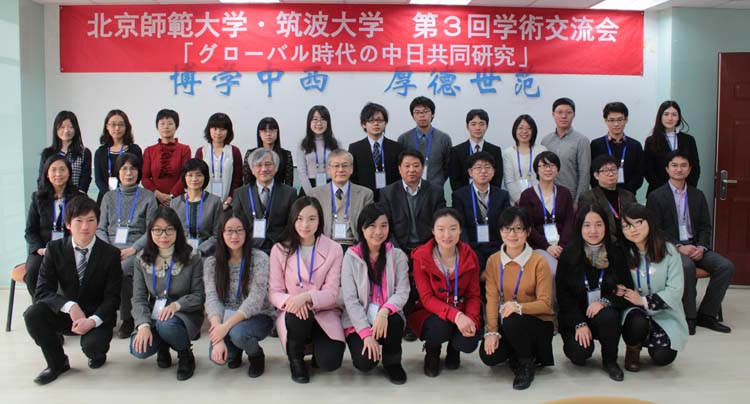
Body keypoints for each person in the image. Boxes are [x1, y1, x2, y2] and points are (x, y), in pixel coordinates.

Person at [24, 195, 122, 385]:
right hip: (67, 313)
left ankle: (98, 352)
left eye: (90, 220)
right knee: (33, 314)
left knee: (93, 347)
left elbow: (112, 299)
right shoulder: (54, 249)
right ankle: (57, 363)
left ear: (97, 223)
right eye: (79, 221)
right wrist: (70, 306)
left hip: (96, 314)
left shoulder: (110, 254)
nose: (85, 227)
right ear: (68, 224)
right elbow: (42, 291)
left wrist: (91, 321)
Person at [646, 151, 734, 335]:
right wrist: (679, 247)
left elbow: (705, 226)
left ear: (689, 169)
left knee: (725, 266)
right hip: (671, 248)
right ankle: (689, 316)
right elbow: (655, 230)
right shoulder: (656, 196)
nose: (679, 169)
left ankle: (707, 315)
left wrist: (701, 247)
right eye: (674, 165)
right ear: (667, 169)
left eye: (683, 165)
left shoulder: (697, 195)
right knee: (687, 267)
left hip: (696, 246)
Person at [268, 197, 345, 383]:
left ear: (319, 221)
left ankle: (317, 349)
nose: (305, 224)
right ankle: (296, 360)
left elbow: (332, 293)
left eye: (312, 219)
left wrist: (306, 297)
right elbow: (274, 291)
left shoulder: (334, 249)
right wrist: (293, 302)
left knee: (330, 362)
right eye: (300, 218)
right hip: (294, 312)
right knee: (298, 315)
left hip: (323, 311)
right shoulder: (280, 249)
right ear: (293, 219)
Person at [556, 205, 633, 381]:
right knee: (579, 354)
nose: (593, 231)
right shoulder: (569, 254)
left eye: (598, 224)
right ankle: (581, 342)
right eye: (587, 225)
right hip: (576, 316)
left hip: (604, 314)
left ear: (606, 226)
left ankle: (610, 361)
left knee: (608, 316)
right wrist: (579, 323)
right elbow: (563, 296)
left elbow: (626, 289)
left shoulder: (616, 252)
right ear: (579, 227)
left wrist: (604, 302)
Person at [480, 207, 554, 390]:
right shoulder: (493, 261)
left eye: (518, 229)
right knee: (489, 356)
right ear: (500, 231)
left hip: (537, 324)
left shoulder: (539, 261)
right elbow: (491, 299)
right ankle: (517, 352)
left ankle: (526, 363)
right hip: (508, 322)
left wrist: (519, 307)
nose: (512, 234)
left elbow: (546, 304)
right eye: (507, 228)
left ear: (528, 232)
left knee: (512, 318)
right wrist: (491, 332)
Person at [130, 206, 205, 381]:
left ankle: (185, 353)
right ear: (150, 232)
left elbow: (199, 295)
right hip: (155, 314)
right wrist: (143, 326)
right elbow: (139, 297)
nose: (163, 236)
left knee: (167, 325)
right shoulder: (141, 259)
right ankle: (163, 344)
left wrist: (176, 305)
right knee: (138, 349)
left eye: (169, 230)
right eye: (157, 230)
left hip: (184, 313)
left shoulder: (192, 256)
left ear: (177, 231)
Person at [341, 203, 410, 384]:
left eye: (383, 225)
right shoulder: (351, 257)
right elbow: (350, 300)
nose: (378, 231)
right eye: (372, 225)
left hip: (386, 316)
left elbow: (403, 291)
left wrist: (384, 311)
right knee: (364, 363)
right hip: (359, 319)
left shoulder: (397, 256)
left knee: (395, 320)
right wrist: (366, 334)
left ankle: (392, 362)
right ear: (362, 228)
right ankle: (370, 346)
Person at [409, 208, 481, 377]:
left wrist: (470, 319)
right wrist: (457, 316)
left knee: (469, 341)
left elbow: (473, 295)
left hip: (461, 309)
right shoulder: (421, 256)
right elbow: (427, 298)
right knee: (439, 328)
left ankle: (454, 349)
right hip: (431, 312)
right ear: (433, 231)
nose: (447, 235)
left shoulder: (470, 256)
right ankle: (432, 350)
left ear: (460, 230)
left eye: (453, 229)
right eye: (441, 229)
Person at [204, 212, 275, 378]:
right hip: (227, 316)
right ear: (221, 233)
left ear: (246, 232)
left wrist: (225, 327)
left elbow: (255, 300)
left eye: (239, 230)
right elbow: (212, 299)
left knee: (239, 334)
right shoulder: (211, 263)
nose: (234, 236)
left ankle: (256, 355)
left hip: (259, 315)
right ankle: (235, 350)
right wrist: (218, 336)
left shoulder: (260, 258)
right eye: (229, 231)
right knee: (219, 358)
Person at [618, 203, 688, 372]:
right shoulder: (622, 252)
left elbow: (675, 290)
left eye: (638, 223)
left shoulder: (669, 250)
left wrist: (643, 300)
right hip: (635, 311)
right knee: (636, 320)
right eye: (626, 226)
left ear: (649, 221)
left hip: (664, 312)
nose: (633, 230)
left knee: (663, 358)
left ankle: (656, 341)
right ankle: (633, 349)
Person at [96, 152, 158, 339]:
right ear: (117, 172)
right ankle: (101, 316)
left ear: (139, 172)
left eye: (133, 168)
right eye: (124, 168)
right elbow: (100, 228)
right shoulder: (108, 197)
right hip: (110, 247)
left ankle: (128, 318)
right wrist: (109, 250)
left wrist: (133, 249)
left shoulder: (148, 197)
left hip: (137, 248)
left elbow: (152, 231)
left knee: (123, 269)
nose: (128, 173)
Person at [25, 155, 85, 297]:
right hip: (43, 249)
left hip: (69, 248)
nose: (58, 174)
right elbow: (30, 231)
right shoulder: (38, 198)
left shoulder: (78, 197)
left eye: (62, 169)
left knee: (71, 275)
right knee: (33, 272)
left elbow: (81, 229)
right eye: (54, 170)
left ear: (69, 173)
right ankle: (41, 305)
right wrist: (40, 249)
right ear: (47, 174)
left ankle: (66, 306)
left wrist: (70, 247)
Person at [518, 151, 575, 281]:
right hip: (538, 246)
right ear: (536, 170)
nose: (548, 169)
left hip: (563, 245)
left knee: (575, 269)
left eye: (552, 165)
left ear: (557, 169)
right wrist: (547, 246)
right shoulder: (527, 195)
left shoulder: (565, 193)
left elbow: (569, 222)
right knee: (554, 272)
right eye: (544, 166)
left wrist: (561, 246)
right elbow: (528, 227)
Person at [380, 149, 447, 254]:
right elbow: (386, 226)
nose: (411, 170)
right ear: (399, 169)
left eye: (416, 166)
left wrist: (429, 250)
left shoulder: (435, 192)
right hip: (398, 248)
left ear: (423, 168)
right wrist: (397, 252)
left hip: (428, 248)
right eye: (407, 166)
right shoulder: (388, 193)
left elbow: (441, 224)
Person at [451, 151, 510, 269]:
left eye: (487, 167)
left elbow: (506, 224)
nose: (483, 171)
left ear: (493, 172)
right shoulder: (459, 195)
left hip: (496, 245)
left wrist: (505, 247)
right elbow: (460, 226)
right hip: (472, 246)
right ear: (470, 172)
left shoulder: (502, 195)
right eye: (478, 167)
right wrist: (467, 250)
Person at [233, 148, 298, 254]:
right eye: (259, 165)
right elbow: (237, 224)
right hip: (250, 249)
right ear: (252, 170)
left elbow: (292, 225)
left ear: (276, 168)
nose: (264, 169)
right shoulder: (240, 194)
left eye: (268, 164)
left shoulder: (290, 193)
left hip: (280, 248)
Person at [309, 149, 374, 248]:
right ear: (329, 170)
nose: (340, 170)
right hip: (325, 246)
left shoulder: (365, 194)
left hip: (354, 247)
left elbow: (369, 225)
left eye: (345, 165)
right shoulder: (315, 194)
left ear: (351, 169)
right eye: (336, 166)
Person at [349, 102, 403, 201]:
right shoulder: (355, 148)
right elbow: (353, 177)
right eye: (371, 120)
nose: (376, 124)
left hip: (391, 199)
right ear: (364, 124)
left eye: (379, 120)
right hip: (364, 199)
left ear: (385, 123)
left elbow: (400, 176)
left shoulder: (397, 147)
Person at [644, 100, 700, 196]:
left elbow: (695, 168)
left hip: (684, 192)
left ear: (678, 117)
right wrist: (666, 191)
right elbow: (648, 170)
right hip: (658, 193)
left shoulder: (689, 140)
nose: (670, 118)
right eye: (666, 114)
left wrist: (686, 189)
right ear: (660, 117)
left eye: (674, 114)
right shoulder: (651, 141)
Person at [170, 159, 223, 257]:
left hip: (207, 254)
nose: (194, 179)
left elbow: (217, 235)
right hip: (181, 253)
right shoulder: (175, 203)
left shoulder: (215, 202)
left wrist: (200, 251)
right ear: (184, 177)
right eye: (190, 175)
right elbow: (171, 232)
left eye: (199, 175)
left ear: (205, 177)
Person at [540, 98, 590, 202]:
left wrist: (578, 201)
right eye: (559, 112)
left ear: (574, 115)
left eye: (568, 112)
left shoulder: (581, 141)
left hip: (571, 198)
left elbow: (584, 174)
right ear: (553, 114)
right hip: (547, 197)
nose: (564, 116)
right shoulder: (545, 141)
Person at [578, 155, 637, 243]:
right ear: (596, 175)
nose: (611, 174)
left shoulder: (629, 196)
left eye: (613, 170)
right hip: (604, 242)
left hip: (629, 240)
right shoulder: (588, 197)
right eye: (605, 171)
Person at [589, 102, 645, 195]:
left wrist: (625, 193)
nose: (616, 124)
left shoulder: (635, 145)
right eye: (611, 120)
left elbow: (639, 174)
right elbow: (592, 173)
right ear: (605, 120)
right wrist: (604, 191)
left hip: (628, 196)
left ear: (626, 120)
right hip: (602, 196)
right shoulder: (596, 145)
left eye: (620, 120)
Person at [397, 96, 452, 188]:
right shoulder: (404, 139)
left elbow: (448, 167)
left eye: (425, 111)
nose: (422, 115)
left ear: (433, 114)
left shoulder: (444, 138)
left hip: (435, 189)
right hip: (410, 189)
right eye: (417, 112)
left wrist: (438, 182)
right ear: (412, 115)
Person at [142, 109, 191, 206]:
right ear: (157, 126)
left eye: (170, 123)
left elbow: (185, 175)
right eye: (162, 123)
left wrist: (171, 196)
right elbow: (145, 177)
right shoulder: (149, 151)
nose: (166, 127)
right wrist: (158, 194)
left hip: (178, 199)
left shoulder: (184, 149)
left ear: (176, 126)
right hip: (154, 200)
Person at [93, 109, 142, 205]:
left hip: (129, 197)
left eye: (121, 124)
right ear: (107, 126)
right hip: (106, 198)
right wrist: (111, 196)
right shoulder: (100, 152)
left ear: (126, 126)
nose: (117, 128)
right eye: (113, 124)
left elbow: (138, 175)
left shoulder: (134, 150)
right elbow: (98, 179)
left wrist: (123, 193)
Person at [194, 113, 243, 208]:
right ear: (209, 129)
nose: (218, 133)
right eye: (215, 128)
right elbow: (197, 178)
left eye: (222, 129)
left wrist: (228, 202)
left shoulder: (234, 151)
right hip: (204, 204)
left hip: (228, 205)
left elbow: (237, 180)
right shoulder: (202, 151)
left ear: (228, 131)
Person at [450, 109, 504, 192]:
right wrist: (463, 196)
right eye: (473, 124)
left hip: (489, 196)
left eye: (481, 124)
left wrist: (489, 195)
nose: (478, 128)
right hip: (463, 197)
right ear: (467, 126)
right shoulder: (456, 151)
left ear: (487, 126)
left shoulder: (495, 151)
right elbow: (455, 180)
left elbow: (497, 178)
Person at [38, 110, 92, 193]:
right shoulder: (48, 153)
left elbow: (85, 178)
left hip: (76, 197)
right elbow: (41, 179)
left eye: (70, 127)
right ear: (56, 129)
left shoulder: (84, 153)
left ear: (76, 129)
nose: (66, 130)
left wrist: (79, 197)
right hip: (52, 197)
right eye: (62, 127)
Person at [502, 114, 548, 205]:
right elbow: (509, 181)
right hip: (516, 203)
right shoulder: (508, 153)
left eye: (529, 128)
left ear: (533, 131)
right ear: (515, 130)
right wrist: (520, 200)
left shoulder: (542, 150)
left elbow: (545, 177)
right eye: (520, 128)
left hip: (540, 201)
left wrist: (537, 200)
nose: (524, 131)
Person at [297, 105, 339, 196]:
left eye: (323, 119)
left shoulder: (336, 143)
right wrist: (311, 194)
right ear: (309, 122)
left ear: (328, 122)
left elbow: (339, 169)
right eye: (315, 119)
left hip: (331, 186)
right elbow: (301, 172)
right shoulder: (302, 144)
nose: (319, 123)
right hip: (308, 186)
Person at [243, 117, 294, 186]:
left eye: (271, 130)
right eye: (264, 131)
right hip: (256, 191)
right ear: (259, 133)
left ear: (277, 132)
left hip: (279, 191)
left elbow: (289, 184)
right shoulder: (251, 154)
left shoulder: (286, 155)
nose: (268, 134)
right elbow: (247, 182)